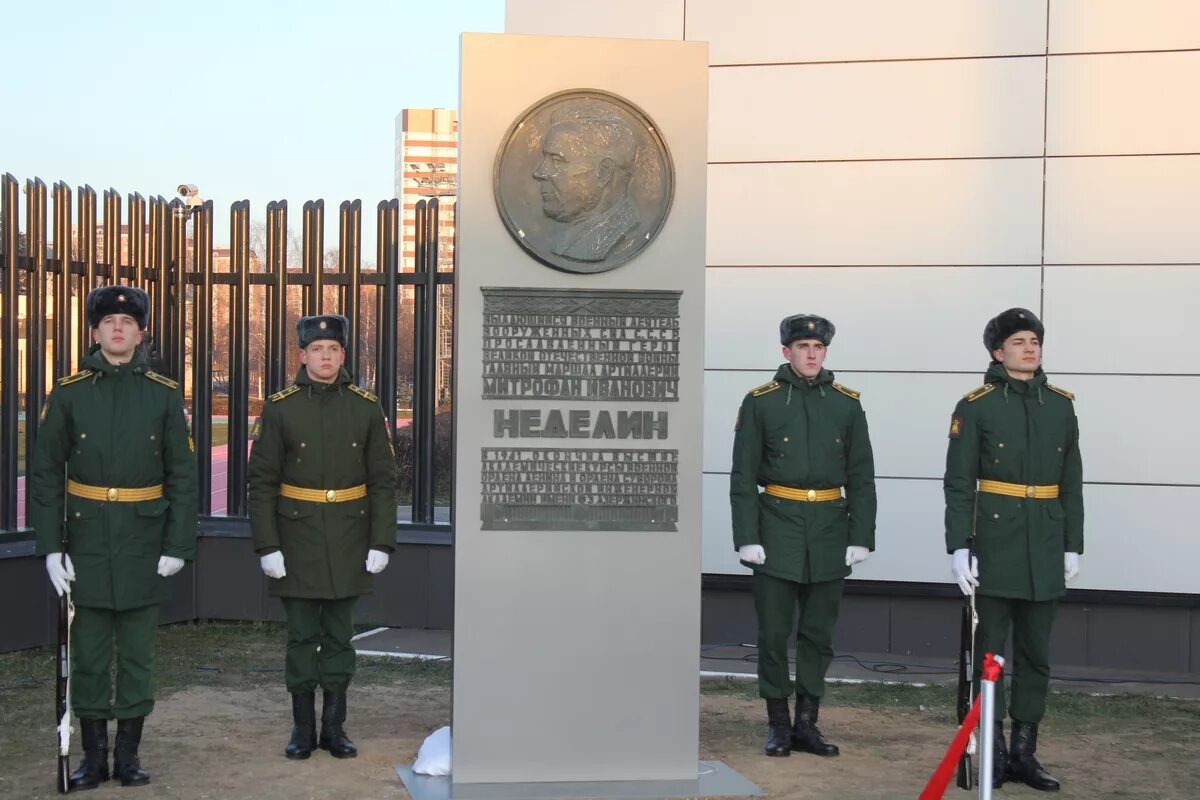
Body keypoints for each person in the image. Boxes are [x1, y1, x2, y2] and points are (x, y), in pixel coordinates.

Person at [30, 285, 197, 789]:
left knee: (139, 655)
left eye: (127, 322)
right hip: (86, 543)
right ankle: (92, 758)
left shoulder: (164, 395)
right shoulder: (69, 392)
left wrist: (177, 545)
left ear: (141, 333)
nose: (118, 329)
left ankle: (128, 757)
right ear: (95, 332)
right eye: (109, 322)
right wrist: (50, 546)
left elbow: (182, 476)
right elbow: (45, 473)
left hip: (143, 543)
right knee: (90, 654)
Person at [944, 307, 1083, 791]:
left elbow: (1072, 481)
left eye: (1035, 341)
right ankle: (994, 752)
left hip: (1045, 541)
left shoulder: (1061, 404)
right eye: (1020, 341)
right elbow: (959, 483)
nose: (1030, 348)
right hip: (996, 543)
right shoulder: (977, 405)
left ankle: (1025, 752)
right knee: (989, 656)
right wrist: (959, 546)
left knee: (1036, 655)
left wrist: (1072, 543)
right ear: (998, 352)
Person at [247, 314, 398, 760]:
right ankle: (301, 728)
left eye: (333, 349)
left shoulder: (366, 406)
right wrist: (267, 545)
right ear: (302, 355)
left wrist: (381, 541)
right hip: (296, 539)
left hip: (351, 537)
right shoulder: (280, 407)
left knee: (338, 636)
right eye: (317, 349)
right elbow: (261, 482)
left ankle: (334, 728)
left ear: (343, 355)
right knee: (300, 637)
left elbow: (383, 481)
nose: (325, 357)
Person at [729, 314, 877, 758]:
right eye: (803, 347)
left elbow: (862, 475)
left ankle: (806, 724)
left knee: (818, 634)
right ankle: (777, 724)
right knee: (774, 633)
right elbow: (742, 476)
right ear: (785, 352)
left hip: (831, 529)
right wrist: (746, 536)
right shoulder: (762, 402)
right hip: (777, 529)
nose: (811, 355)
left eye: (818, 347)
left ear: (825, 352)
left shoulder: (847, 404)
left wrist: (861, 534)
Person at [532, 108, 641, 262]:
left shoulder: (620, 236)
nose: (539, 172)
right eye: (545, 160)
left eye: (556, 160)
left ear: (604, 172)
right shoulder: (572, 234)